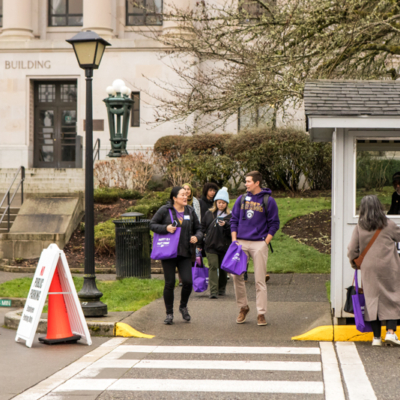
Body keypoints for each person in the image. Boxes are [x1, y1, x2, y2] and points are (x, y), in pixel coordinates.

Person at [348, 195, 400, 346]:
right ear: (379, 207)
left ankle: (376, 338)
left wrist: (355, 263)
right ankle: (391, 333)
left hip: (369, 269)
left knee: (372, 300)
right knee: (393, 296)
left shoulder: (359, 227)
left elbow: (352, 249)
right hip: (389, 267)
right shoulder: (389, 225)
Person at [230, 171, 280, 326]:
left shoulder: (268, 200)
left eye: (248, 181)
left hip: (259, 243)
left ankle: (261, 313)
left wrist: (265, 242)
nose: (246, 184)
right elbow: (234, 220)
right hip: (241, 243)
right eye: (246, 181)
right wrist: (234, 241)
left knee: (259, 280)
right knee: (236, 276)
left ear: (257, 183)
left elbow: (274, 223)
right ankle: (243, 308)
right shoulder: (241, 199)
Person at [150, 186, 203, 325]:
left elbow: (199, 229)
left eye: (186, 195)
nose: (185, 197)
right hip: (168, 253)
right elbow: (152, 224)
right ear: (174, 198)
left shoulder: (190, 211)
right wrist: (165, 228)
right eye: (182, 195)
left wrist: (197, 237)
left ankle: (183, 306)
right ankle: (169, 313)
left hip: (185, 253)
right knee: (170, 283)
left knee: (188, 282)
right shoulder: (165, 210)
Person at [201, 187, 232, 299]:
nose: (221, 205)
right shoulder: (209, 214)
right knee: (213, 266)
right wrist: (200, 244)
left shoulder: (231, 216)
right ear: (215, 202)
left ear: (227, 204)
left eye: (223, 203)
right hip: (211, 246)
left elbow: (234, 232)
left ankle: (221, 288)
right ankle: (213, 291)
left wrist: (226, 226)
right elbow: (202, 228)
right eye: (219, 202)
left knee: (223, 268)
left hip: (224, 246)